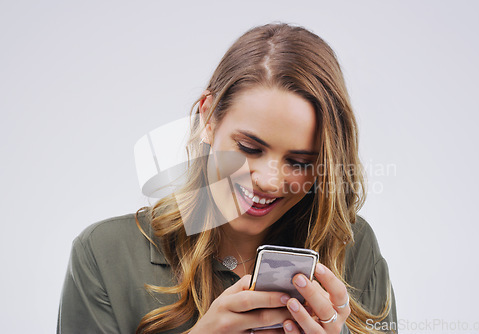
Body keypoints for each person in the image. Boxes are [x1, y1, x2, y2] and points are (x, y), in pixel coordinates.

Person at [58, 23, 397, 334]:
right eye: (249, 148)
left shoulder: (352, 247)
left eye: (298, 161)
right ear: (208, 117)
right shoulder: (105, 255)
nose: (269, 180)